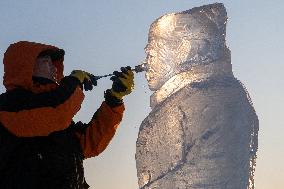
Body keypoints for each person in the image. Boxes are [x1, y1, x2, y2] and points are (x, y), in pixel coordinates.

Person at [136, 3, 258, 189]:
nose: (147, 54)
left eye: (156, 44)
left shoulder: (218, 98)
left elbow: (211, 175)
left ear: (186, 50)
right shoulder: (184, 99)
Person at [0, 41, 134, 189]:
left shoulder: (56, 117)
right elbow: (57, 111)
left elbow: (90, 143)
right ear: (26, 68)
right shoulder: (10, 105)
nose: (53, 67)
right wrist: (73, 81)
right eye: (46, 62)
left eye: (53, 62)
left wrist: (114, 100)